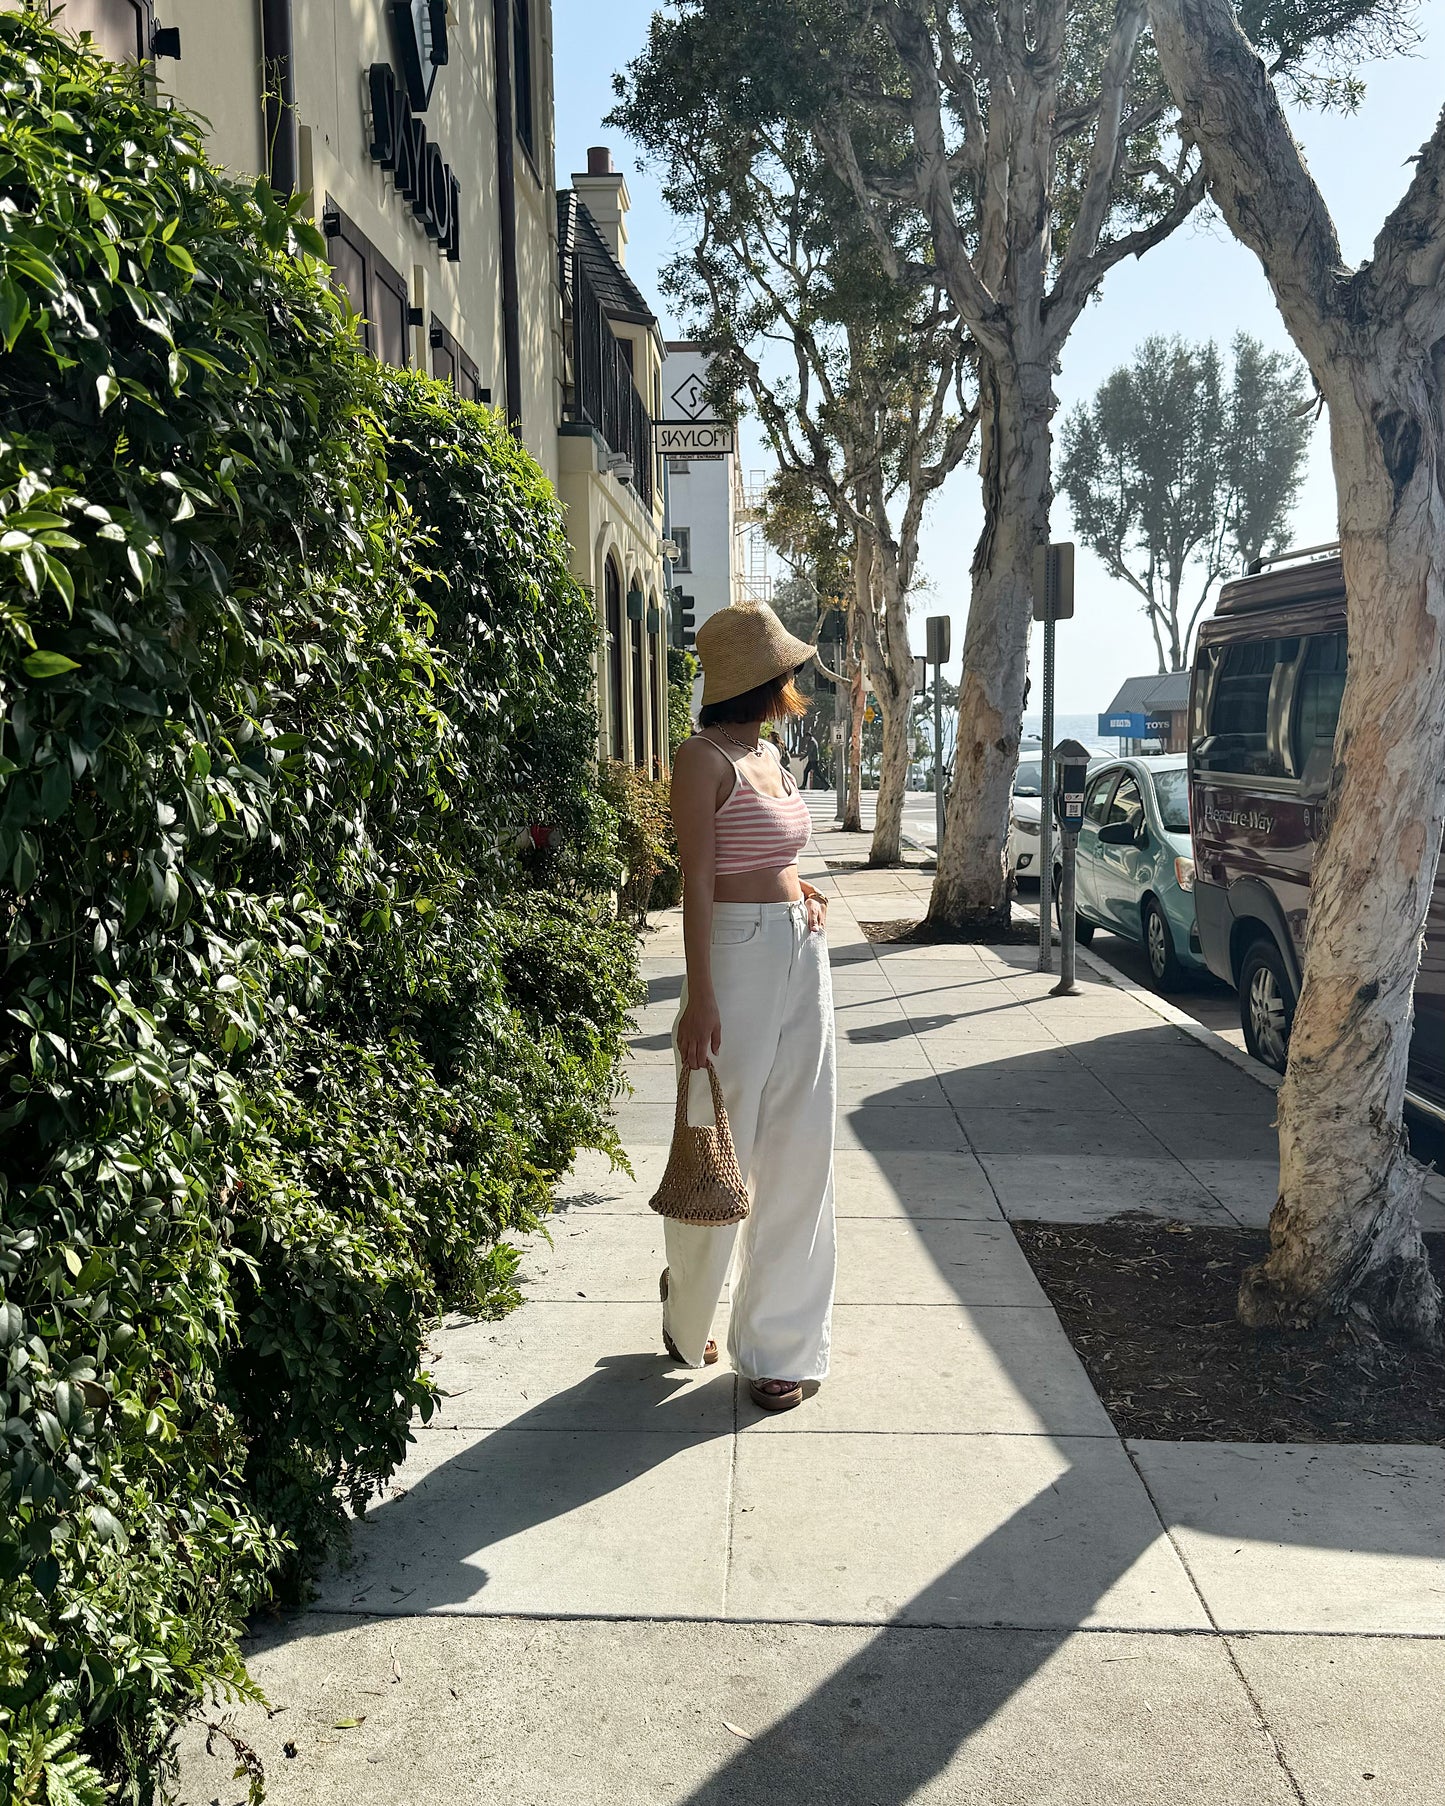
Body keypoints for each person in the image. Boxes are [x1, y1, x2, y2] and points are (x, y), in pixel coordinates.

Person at [660, 601, 836, 1412]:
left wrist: (795, 888)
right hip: (733, 957)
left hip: (800, 946)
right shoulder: (698, 758)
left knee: (801, 1149)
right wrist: (697, 996)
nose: (795, 684)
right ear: (762, 679)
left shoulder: (766, 753)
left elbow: (766, 852)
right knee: (720, 1142)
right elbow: (695, 880)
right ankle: (689, 1300)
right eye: (787, 673)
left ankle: (778, 1345)